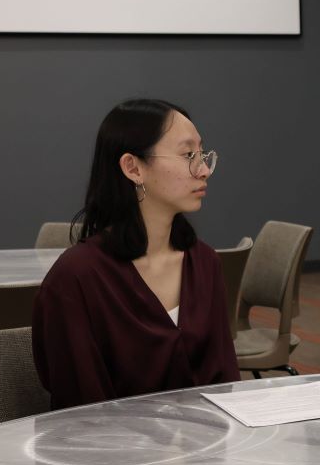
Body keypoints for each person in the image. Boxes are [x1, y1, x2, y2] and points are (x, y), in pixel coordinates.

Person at [33, 99, 239, 410]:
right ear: (133, 167)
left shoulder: (204, 262)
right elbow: (81, 412)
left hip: (207, 447)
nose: (204, 169)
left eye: (203, 154)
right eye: (188, 155)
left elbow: (225, 386)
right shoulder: (76, 279)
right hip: (115, 453)